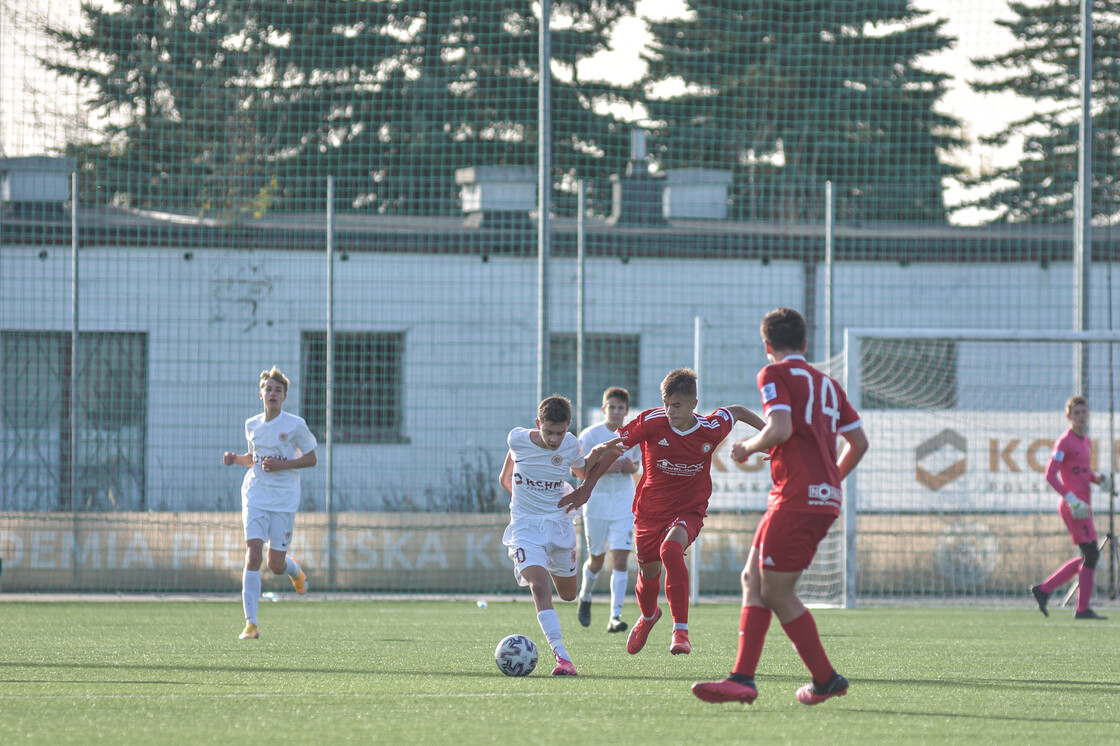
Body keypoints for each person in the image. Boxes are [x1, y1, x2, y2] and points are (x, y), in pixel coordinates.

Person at [692, 307, 869, 707]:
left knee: (776, 590)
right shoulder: (828, 383)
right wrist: (829, 483)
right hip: (809, 496)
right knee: (752, 578)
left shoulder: (773, 374)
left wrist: (747, 446)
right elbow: (858, 443)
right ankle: (745, 678)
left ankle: (823, 679)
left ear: (767, 345)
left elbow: (781, 428)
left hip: (796, 497)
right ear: (805, 344)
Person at [560, 368, 765, 657]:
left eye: (677, 405)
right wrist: (586, 488)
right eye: (666, 403)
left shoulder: (710, 428)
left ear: (694, 404)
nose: (669, 411)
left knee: (671, 549)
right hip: (649, 512)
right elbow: (613, 450)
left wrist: (771, 438)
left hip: (689, 509)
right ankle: (648, 617)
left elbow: (739, 411)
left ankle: (680, 630)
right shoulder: (652, 422)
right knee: (648, 572)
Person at [498, 395, 625, 676]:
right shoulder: (517, 439)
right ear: (537, 423)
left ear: (568, 426)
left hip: (559, 524)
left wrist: (599, 452)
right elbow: (505, 478)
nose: (554, 439)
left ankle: (579, 598)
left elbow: (580, 471)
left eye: (560, 432)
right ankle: (563, 658)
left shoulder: (570, 443)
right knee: (539, 587)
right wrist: (525, 505)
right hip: (525, 528)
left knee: (567, 595)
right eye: (549, 431)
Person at [223, 366, 317, 640]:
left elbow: (311, 458)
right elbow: (254, 459)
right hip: (255, 494)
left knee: (275, 565)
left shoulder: (294, 425)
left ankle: (294, 570)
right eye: (268, 389)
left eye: (278, 390)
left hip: (284, 498)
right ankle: (250, 624)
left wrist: (282, 464)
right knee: (253, 553)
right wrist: (235, 459)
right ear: (260, 394)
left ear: (285, 396)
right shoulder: (251, 424)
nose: (272, 393)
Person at [1030, 395, 1112, 620]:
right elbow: (1050, 475)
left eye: (1084, 412)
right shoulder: (1064, 441)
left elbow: (1081, 472)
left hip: (1083, 505)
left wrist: (1098, 479)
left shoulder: (1085, 440)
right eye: (1076, 413)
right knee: (1091, 555)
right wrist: (1071, 498)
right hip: (1074, 506)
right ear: (1069, 417)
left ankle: (1044, 590)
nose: (1081, 416)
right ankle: (1082, 608)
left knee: (1090, 556)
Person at [576, 387, 642, 633]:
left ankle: (615, 616)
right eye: (611, 407)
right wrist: (606, 466)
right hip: (597, 503)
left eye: (620, 407)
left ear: (626, 410)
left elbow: (638, 465)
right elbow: (580, 467)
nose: (615, 411)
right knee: (596, 560)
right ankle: (586, 596)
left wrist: (630, 467)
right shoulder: (591, 435)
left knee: (621, 558)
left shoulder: (633, 433)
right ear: (604, 409)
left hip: (624, 503)